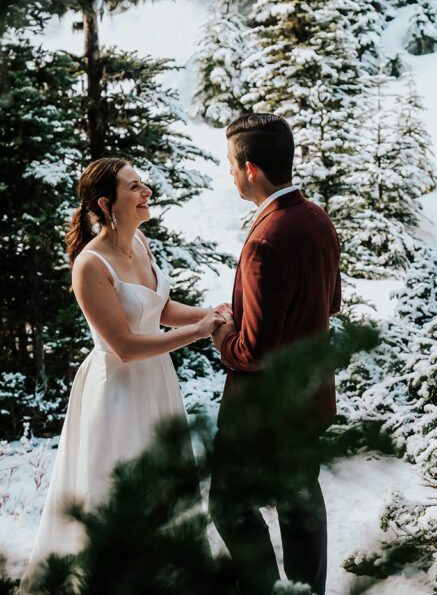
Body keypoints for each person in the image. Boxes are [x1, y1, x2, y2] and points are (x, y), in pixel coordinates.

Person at [24, 157, 229, 586]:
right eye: (134, 187)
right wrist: (198, 332)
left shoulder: (140, 242)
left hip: (157, 383)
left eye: (143, 184)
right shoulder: (90, 265)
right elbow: (126, 346)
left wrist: (210, 313)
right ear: (106, 203)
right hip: (116, 391)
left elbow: (159, 309)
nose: (146, 192)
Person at [210, 113, 342, 595]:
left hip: (262, 412)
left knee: (229, 505)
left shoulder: (265, 240)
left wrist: (223, 334)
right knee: (300, 502)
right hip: (310, 397)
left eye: (231, 163)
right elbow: (330, 303)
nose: (230, 172)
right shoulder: (317, 217)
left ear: (250, 169)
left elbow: (254, 352)